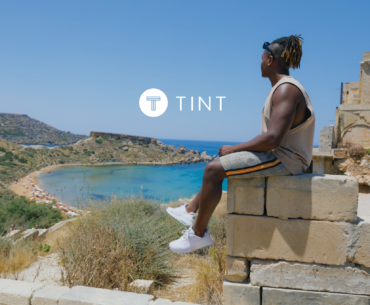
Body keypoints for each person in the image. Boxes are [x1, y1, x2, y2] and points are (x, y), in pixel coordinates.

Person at [167, 35, 315, 254]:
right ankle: (190, 210)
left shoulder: (286, 89)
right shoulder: (283, 88)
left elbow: (273, 138)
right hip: (282, 155)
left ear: (270, 60)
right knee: (220, 162)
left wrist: (234, 148)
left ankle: (198, 235)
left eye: (262, 57)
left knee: (213, 169)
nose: (261, 62)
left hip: (287, 160)